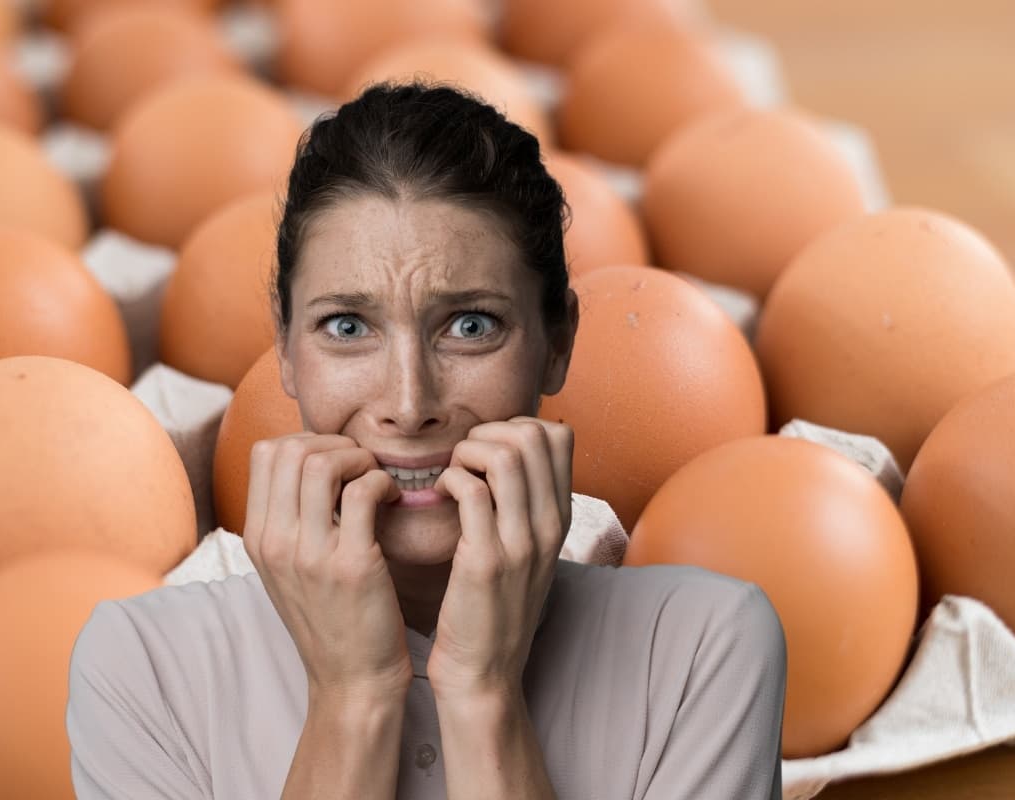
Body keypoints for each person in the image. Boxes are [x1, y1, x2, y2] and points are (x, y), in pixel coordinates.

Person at [66, 83, 787, 799]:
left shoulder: (705, 647)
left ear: (557, 340)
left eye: (470, 325)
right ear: (284, 347)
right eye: (348, 327)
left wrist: (484, 693)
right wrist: (353, 700)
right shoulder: (140, 667)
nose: (409, 406)